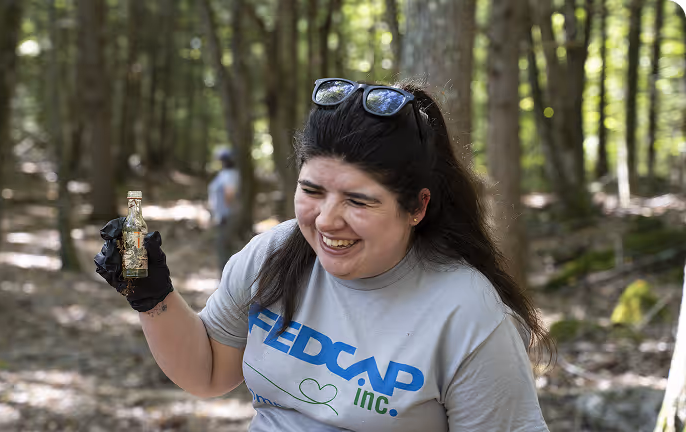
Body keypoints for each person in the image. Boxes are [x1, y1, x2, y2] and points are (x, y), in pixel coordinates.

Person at [95, 78, 553, 431]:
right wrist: (151, 294)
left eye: (358, 201)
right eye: (311, 191)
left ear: (417, 206)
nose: (327, 219)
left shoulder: (467, 312)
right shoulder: (274, 252)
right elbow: (209, 374)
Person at [208, 148, 240, 275]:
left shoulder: (230, 175)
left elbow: (229, 193)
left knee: (224, 246)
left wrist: (225, 211)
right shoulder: (225, 174)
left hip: (226, 216)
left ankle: (227, 276)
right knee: (222, 246)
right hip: (221, 215)